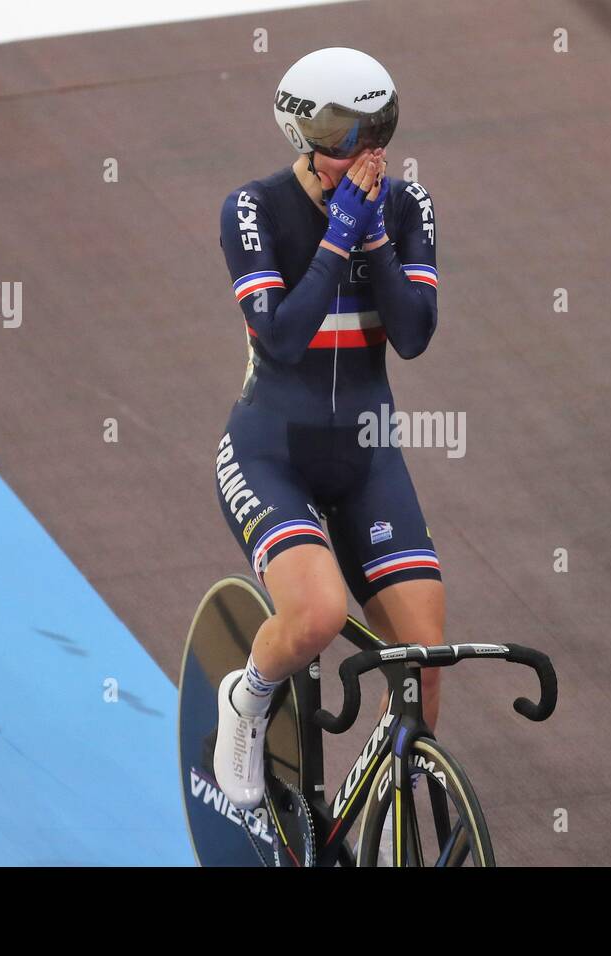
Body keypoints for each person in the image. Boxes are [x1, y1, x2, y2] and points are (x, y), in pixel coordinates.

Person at [211, 48, 443, 810]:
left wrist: (374, 239)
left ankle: (371, 819)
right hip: (271, 452)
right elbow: (280, 338)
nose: (369, 150)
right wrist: (338, 236)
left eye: (381, 127)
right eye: (349, 133)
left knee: (424, 663)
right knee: (317, 615)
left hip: (366, 459)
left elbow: (412, 335)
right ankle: (247, 697)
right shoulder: (252, 208)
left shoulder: (407, 207)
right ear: (302, 132)